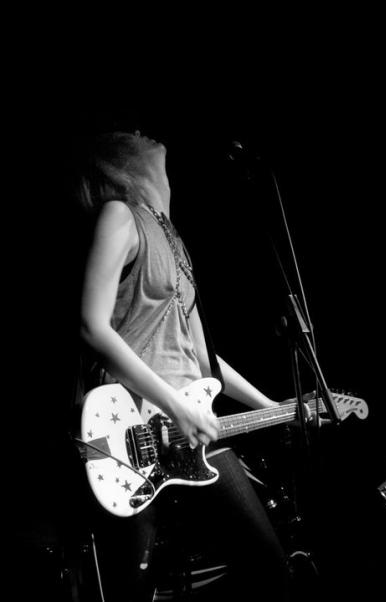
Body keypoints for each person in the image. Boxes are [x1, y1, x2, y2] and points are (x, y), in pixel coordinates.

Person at [74, 129, 291, 601]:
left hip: (187, 426)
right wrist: (176, 405)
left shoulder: (174, 242)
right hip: (128, 428)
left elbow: (203, 359)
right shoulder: (120, 215)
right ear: (119, 164)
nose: (143, 132)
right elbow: (92, 325)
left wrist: (273, 407)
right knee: (129, 592)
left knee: (269, 567)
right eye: (132, 132)